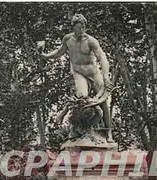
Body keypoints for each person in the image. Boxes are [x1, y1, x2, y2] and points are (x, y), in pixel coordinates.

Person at [41, 13, 114, 143]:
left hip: (93, 72)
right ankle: (76, 129)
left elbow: (102, 57)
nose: (81, 30)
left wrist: (106, 76)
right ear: (73, 27)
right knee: (81, 98)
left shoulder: (91, 41)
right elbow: (59, 52)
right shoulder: (68, 39)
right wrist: (45, 55)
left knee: (103, 100)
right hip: (78, 72)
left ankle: (108, 132)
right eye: (78, 27)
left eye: (83, 27)